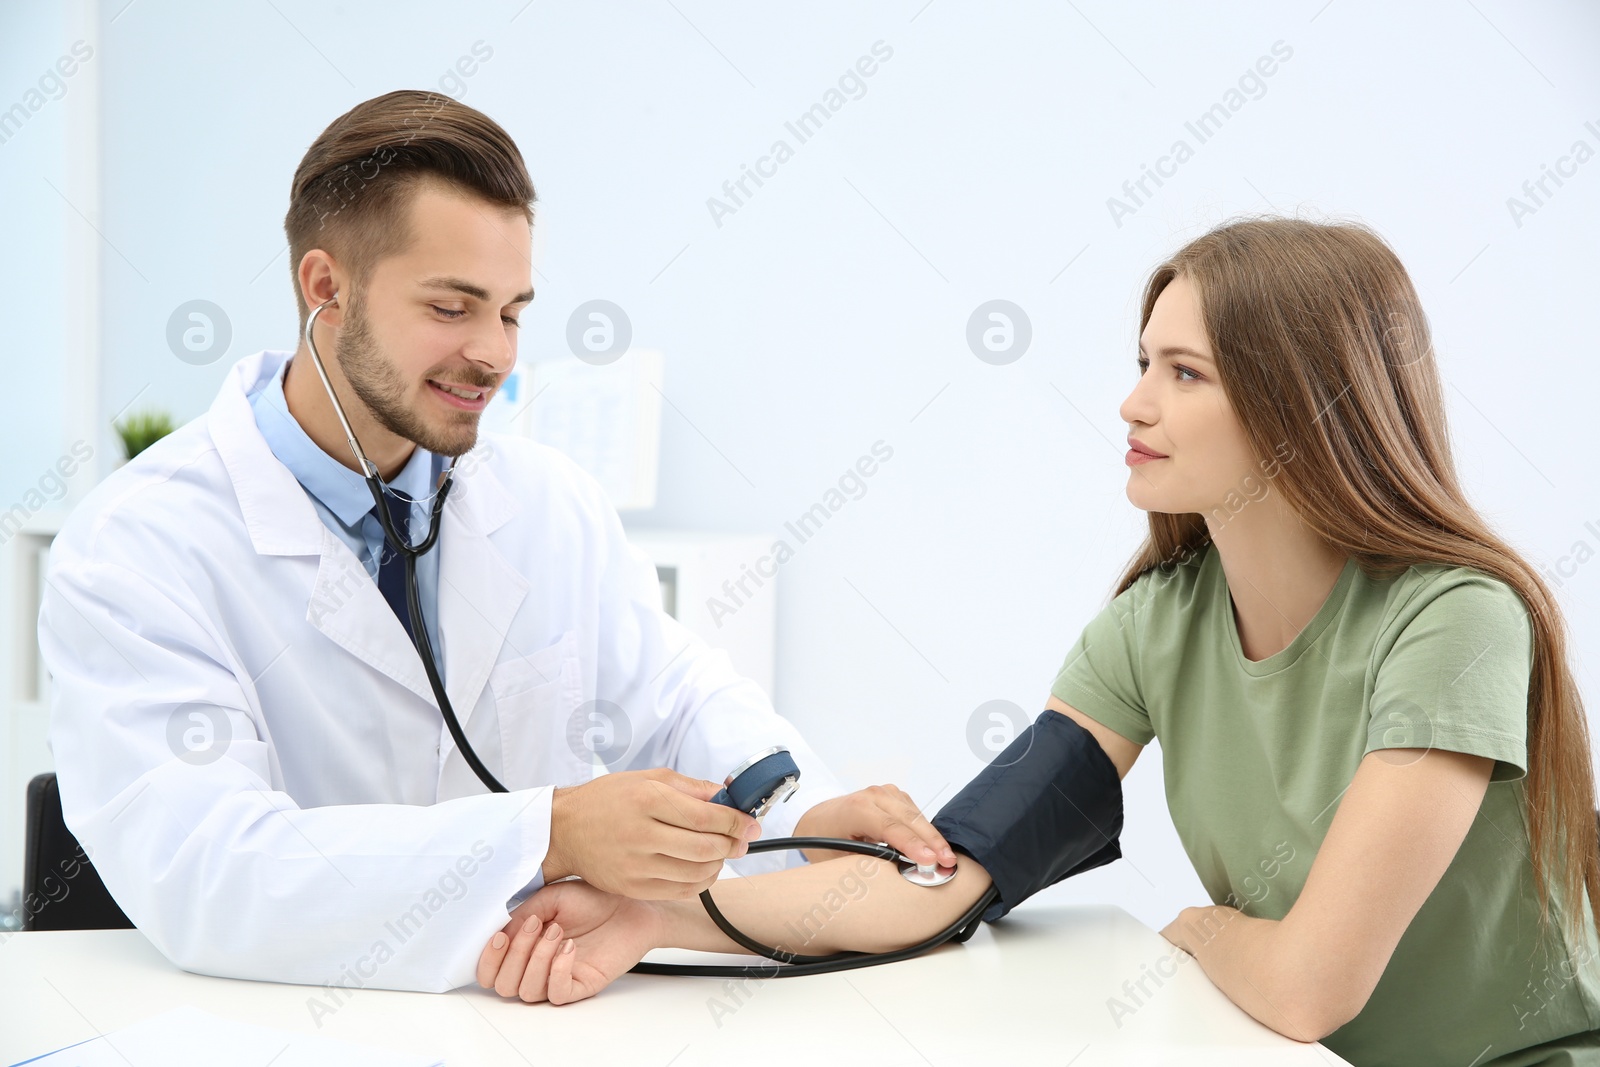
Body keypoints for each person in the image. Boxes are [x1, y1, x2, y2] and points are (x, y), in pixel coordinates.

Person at [477, 217, 1600, 1067]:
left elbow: (1309, 984)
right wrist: (661, 915)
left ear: (1301, 402)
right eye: (1142, 360)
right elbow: (949, 877)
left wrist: (1205, 927)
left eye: (1183, 372)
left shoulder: (1454, 618)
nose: (1131, 403)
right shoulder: (1152, 627)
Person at [37, 89, 954, 996]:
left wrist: (801, 810)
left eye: (512, 312)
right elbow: (210, 871)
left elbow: (676, 696)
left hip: (537, 1022)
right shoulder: (134, 547)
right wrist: (548, 832)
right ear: (326, 288)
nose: (496, 354)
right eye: (451, 307)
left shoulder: (548, 503)